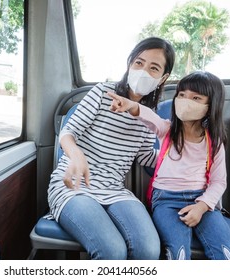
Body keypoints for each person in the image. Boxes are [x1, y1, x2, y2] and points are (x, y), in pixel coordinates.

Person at [46, 37, 175, 260]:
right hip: (74, 187)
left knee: (149, 250)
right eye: (139, 63)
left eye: (153, 68)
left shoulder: (148, 114)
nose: (143, 71)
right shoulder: (102, 92)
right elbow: (68, 134)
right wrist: (76, 155)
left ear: (163, 78)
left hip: (114, 190)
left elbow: (146, 157)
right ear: (129, 64)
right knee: (112, 251)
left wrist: (180, 156)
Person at [108, 71, 230, 260]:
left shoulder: (215, 142)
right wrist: (130, 105)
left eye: (196, 97)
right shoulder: (167, 130)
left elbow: (219, 182)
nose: (186, 101)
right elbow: (147, 116)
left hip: (201, 200)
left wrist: (202, 207)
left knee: (226, 253)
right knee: (177, 253)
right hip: (166, 202)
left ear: (210, 105)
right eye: (181, 95)